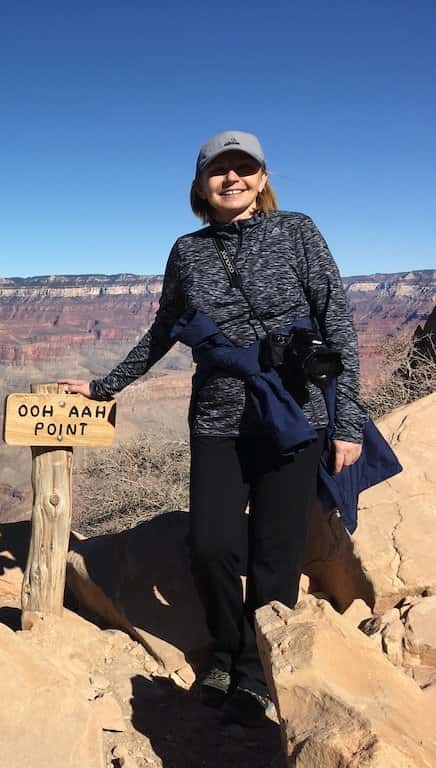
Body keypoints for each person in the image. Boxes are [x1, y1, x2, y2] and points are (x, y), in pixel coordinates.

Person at [58, 130, 367, 728]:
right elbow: (163, 329)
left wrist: (347, 421)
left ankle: (253, 672)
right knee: (212, 545)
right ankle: (226, 648)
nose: (233, 179)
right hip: (218, 419)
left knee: (276, 555)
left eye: (243, 168)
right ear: (200, 184)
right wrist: (105, 386)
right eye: (219, 170)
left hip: (296, 415)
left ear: (263, 176)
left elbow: (339, 323)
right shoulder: (188, 250)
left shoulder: (297, 231)